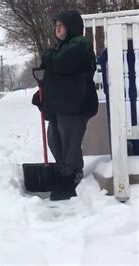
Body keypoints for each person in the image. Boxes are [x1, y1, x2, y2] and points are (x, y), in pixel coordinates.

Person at [32, 10, 99, 201]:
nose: (57, 28)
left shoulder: (80, 45)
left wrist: (49, 57)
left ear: (72, 27)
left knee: (70, 142)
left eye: (61, 25)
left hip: (75, 103)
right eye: (56, 26)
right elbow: (55, 76)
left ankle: (71, 175)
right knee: (54, 139)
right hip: (61, 103)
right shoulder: (63, 47)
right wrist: (42, 94)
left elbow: (62, 65)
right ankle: (64, 171)